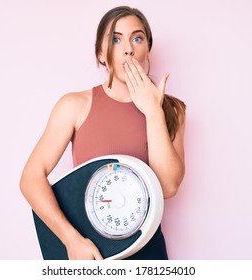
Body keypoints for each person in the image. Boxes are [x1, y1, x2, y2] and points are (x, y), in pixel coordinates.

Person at [20, 5, 186, 260]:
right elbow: (31, 178)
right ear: (101, 53)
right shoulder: (74, 105)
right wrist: (71, 240)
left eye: (137, 38)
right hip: (91, 252)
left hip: (148, 251)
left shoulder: (172, 109)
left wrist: (153, 111)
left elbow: (167, 186)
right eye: (115, 39)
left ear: (147, 50)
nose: (128, 48)